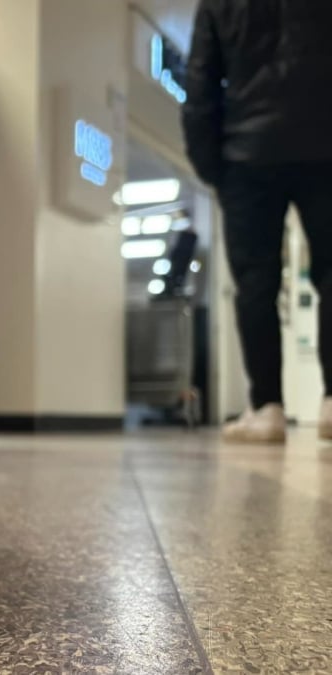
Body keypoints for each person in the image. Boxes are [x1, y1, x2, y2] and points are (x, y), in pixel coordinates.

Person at [183, 0, 332, 443]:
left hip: (247, 155)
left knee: (255, 283)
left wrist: (214, 167)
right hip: (326, 146)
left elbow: (200, 86)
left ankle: (266, 407)